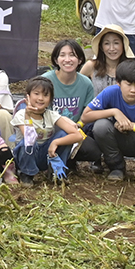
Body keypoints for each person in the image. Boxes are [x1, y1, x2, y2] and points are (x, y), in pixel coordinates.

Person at [8, 77, 84, 185]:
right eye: (36, 94)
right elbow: (29, 139)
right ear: (28, 96)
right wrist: (28, 115)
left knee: (63, 134)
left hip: (46, 154)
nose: (41, 98)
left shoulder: (51, 115)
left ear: (50, 100)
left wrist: (55, 142)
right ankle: (26, 174)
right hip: (26, 155)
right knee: (30, 142)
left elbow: (78, 136)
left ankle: (56, 171)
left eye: (45, 95)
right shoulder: (21, 114)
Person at [42, 38, 100, 170]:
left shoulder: (86, 83)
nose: (67, 59)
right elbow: (40, 111)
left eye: (72, 55)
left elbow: (87, 112)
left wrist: (78, 125)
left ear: (79, 60)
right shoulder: (46, 80)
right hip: (49, 129)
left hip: (74, 130)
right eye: (62, 55)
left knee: (93, 151)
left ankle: (68, 159)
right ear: (56, 60)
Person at [82, 25, 135, 93]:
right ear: (101, 47)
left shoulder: (131, 68)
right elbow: (76, 87)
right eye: (107, 43)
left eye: (116, 43)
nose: (112, 48)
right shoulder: (92, 66)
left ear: (123, 45)